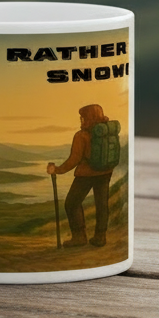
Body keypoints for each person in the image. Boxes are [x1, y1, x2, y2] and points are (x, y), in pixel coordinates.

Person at [47, 103, 115, 247]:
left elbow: (74, 159)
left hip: (86, 174)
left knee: (71, 204)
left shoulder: (81, 136)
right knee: (102, 205)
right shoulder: (107, 132)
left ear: (88, 118)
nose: (81, 120)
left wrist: (57, 170)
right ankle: (100, 237)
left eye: (83, 117)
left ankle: (79, 237)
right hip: (106, 172)